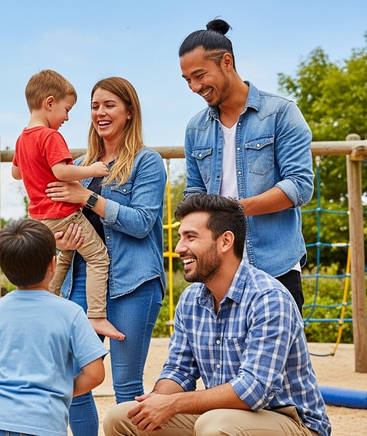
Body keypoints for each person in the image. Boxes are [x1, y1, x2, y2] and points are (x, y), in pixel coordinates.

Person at [103, 194, 331, 436]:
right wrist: (157, 401)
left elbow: (253, 390)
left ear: (225, 242)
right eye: (180, 238)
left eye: (190, 237)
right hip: (222, 416)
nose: (179, 248)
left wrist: (175, 404)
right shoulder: (191, 300)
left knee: (215, 427)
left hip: (291, 421)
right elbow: (179, 371)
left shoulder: (269, 297)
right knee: (122, 418)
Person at [45, 77, 166, 434]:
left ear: (129, 112)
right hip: (81, 280)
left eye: (109, 105)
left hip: (134, 283)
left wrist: (87, 198)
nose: (100, 112)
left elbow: (142, 222)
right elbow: (58, 219)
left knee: (126, 385)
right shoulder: (79, 165)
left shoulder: (147, 162)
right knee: (78, 381)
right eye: (95, 106)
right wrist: (62, 242)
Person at [179, 19, 314, 312]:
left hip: (275, 266)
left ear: (227, 62)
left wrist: (236, 210)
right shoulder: (194, 129)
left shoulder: (280, 113)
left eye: (199, 75)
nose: (194, 86)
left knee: (279, 358)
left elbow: (300, 186)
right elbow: (194, 191)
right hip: (217, 269)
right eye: (187, 79)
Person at [11, 69, 122, 340]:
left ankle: (49, 297)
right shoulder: (50, 137)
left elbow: (16, 173)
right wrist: (93, 170)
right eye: (66, 109)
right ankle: (96, 315)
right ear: (49, 103)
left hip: (40, 218)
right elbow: (62, 172)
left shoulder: (23, 138)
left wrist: (35, 170)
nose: (67, 117)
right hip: (63, 213)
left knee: (65, 254)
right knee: (97, 258)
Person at [0, 219, 107, 436]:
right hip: (43, 422)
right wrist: (58, 391)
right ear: (52, 264)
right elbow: (95, 373)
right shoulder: (70, 312)